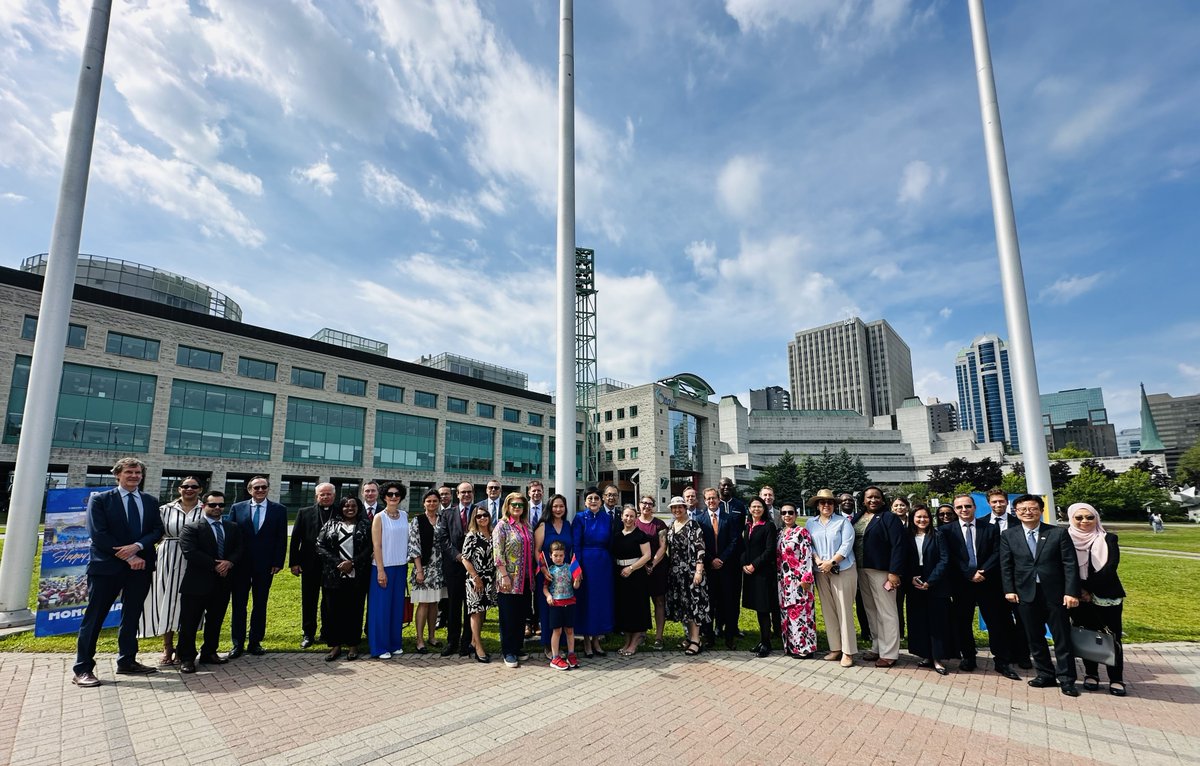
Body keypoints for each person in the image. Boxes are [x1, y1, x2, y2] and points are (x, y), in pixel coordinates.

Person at [72, 457, 166, 687]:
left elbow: (157, 530)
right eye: (129, 472)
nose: (134, 476)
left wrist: (138, 547)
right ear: (118, 475)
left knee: (132, 615)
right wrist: (129, 556)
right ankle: (82, 668)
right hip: (106, 567)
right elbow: (99, 534)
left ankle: (127, 660)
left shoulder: (150, 501)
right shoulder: (101, 500)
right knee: (94, 618)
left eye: (138, 473)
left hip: (140, 567)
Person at [1000, 494, 1081, 697]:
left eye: (1032, 508)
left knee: (1061, 638)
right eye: (1023, 509)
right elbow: (1006, 565)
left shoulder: (1057, 533)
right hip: (1025, 594)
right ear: (1016, 512)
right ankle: (1045, 674)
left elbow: (1069, 564)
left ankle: (1067, 679)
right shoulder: (1009, 535)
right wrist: (1009, 590)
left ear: (1041, 510)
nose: (1028, 512)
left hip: (1054, 594)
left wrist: (1071, 592)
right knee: (1034, 637)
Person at [943, 493, 1022, 679]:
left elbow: (997, 552)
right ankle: (968, 657)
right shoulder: (947, 531)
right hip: (962, 584)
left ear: (975, 507)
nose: (964, 510)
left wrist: (983, 571)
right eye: (960, 507)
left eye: (967, 506)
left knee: (996, 622)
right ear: (955, 509)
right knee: (963, 622)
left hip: (988, 582)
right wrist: (968, 573)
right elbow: (950, 556)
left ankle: (1001, 660)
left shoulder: (990, 528)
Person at [139, 476, 204, 667]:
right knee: (165, 600)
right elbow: (154, 533)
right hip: (168, 556)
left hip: (194, 559)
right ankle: (167, 646)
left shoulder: (205, 509)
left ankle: (186, 649)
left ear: (200, 489)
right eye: (185, 486)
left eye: (194, 486)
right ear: (179, 489)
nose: (189, 489)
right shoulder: (165, 509)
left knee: (189, 603)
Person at [177, 491, 242, 673]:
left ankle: (209, 652)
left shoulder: (232, 527)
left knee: (215, 620)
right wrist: (216, 565)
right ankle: (187, 658)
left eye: (221, 505)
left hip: (222, 583)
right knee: (189, 622)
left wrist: (230, 562)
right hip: (197, 583)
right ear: (203, 506)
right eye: (213, 505)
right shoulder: (192, 528)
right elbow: (190, 552)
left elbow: (239, 548)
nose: (217, 508)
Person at [1067, 502, 1126, 696]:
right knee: (1086, 634)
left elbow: (1110, 568)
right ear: (1071, 519)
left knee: (1111, 636)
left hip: (1106, 595)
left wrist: (1088, 589)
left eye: (1089, 517)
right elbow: (1064, 566)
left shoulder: (1108, 538)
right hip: (1078, 596)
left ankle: (1116, 678)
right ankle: (1091, 674)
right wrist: (1079, 590)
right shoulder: (1065, 538)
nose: (1085, 521)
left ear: (1096, 518)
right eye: (1079, 517)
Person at [227, 476, 287, 659]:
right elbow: (230, 535)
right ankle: (237, 643)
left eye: (264, 487)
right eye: (256, 488)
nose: (260, 490)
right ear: (249, 489)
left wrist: (278, 561)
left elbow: (281, 538)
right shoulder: (237, 508)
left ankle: (255, 642)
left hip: (265, 566)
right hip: (240, 565)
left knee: (260, 604)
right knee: (239, 604)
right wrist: (230, 560)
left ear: (268, 489)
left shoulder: (279, 510)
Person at [852, 486, 905, 668]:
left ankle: (889, 653)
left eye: (876, 497)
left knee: (887, 611)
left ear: (882, 500)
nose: (873, 500)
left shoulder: (889, 518)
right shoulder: (857, 517)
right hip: (861, 569)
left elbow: (899, 545)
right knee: (871, 610)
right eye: (869, 497)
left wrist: (894, 572)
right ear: (863, 500)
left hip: (882, 571)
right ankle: (876, 646)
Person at [806, 488, 857, 668]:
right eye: (822, 503)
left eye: (829, 502)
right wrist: (819, 560)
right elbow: (809, 544)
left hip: (842, 569)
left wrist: (832, 562)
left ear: (834, 505)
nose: (826, 505)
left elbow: (847, 545)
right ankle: (835, 648)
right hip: (821, 571)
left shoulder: (843, 522)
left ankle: (848, 651)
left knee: (844, 610)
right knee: (828, 610)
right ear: (817, 506)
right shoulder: (811, 523)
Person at [317, 496, 372, 661]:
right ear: (340, 508)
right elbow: (320, 545)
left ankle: (353, 644)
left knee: (354, 610)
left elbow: (370, 547)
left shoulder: (365, 525)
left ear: (358, 507)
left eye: (353, 505)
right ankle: (335, 646)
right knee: (333, 611)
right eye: (346, 505)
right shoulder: (331, 524)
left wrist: (353, 563)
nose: (349, 508)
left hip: (356, 576)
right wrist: (338, 562)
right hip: (333, 576)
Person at [984, 488, 1032, 669]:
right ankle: (1004, 654)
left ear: (1007, 502)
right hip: (992, 581)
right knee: (998, 621)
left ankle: (1024, 655)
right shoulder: (981, 524)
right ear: (989, 503)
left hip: (1018, 580)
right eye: (994, 501)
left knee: (1022, 619)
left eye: (1001, 501)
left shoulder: (1019, 522)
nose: (998, 504)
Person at [905, 506, 953, 675]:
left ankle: (938, 658)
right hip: (914, 582)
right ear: (912, 519)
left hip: (936, 582)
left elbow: (944, 560)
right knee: (919, 621)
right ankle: (926, 655)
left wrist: (930, 581)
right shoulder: (907, 536)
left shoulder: (938, 535)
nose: (922, 520)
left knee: (937, 622)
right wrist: (910, 577)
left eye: (925, 517)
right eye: (918, 517)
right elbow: (903, 558)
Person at [289, 482, 336, 648]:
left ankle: (327, 632)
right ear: (316, 496)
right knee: (309, 599)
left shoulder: (340, 512)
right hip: (309, 564)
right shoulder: (305, 513)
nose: (325, 497)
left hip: (333, 565)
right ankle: (308, 633)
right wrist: (294, 563)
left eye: (328, 494)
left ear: (334, 495)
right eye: (322, 494)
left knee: (330, 600)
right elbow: (295, 539)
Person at [696, 486, 744, 649]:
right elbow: (700, 543)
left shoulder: (729, 518)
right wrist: (711, 560)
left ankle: (729, 637)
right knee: (709, 603)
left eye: (714, 498)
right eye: (708, 498)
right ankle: (709, 637)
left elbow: (734, 541)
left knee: (728, 603)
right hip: (709, 569)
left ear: (718, 499)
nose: (711, 501)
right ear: (704, 500)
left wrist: (721, 559)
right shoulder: (699, 519)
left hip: (726, 568)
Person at [664, 496, 710, 656]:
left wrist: (698, 571)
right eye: (674, 508)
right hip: (676, 573)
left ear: (685, 508)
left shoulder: (693, 525)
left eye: (680, 507)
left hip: (691, 572)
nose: (677, 510)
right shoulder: (671, 526)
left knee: (693, 606)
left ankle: (696, 640)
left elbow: (700, 549)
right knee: (683, 607)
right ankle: (689, 637)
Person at [368, 482, 409, 659]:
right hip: (383, 567)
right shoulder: (379, 517)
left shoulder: (405, 515)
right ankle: (379, 647)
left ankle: (394, 643)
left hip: (401, 567)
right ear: (384, 496)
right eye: (390, 494)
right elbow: (377, 545)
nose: (394, 497)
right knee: (381, 609)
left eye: (397, 494)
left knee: (396, 607)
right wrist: (380, 570)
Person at [573, 486, 615, 657]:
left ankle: (597, 639)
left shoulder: (607, 518)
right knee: (587, 602)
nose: (593, 501)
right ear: (585, 501)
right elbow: (576, 544)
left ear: (601, 500)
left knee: (600, 602)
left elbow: (611, 542)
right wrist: (578, 568)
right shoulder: (579, 518)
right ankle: (587, 641)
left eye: (596, 498)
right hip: (586, 563)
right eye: (590, 498)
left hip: (603, 564)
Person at [494, 492, 535, 668]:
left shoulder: (527, 525)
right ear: (508, 507)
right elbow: (497, 553)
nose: (517, 507)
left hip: (525, 580)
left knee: (520, 616)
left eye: (520, 505)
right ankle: (508, 651)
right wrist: (504, 575)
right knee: (508, 617)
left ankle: (517, 647)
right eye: (514, 505)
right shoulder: (502, 526)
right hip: (508, 580)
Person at [438, 482, 475, 658]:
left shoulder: (478, 511)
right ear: (457, 494)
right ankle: (452, 641)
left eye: (469, 492)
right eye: (463, 492)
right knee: (453, 606)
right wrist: (459, 556)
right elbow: (443, 539)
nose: (466, 495)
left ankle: (466, 642)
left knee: (471, 606)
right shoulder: (447, 514)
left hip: (474, 568)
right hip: (453, 566)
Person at [776, 501, 817, 659]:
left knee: (801, 614)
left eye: (790, 513)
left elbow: (807, 557)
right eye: (784, 513)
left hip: (799, 579)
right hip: (783, 581)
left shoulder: (802, 532)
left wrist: (806, 578)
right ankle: (792, 647)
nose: (787, 515)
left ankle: (805, 648)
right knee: (788, 614)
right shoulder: (780, 533)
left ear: (796, 515)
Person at [535, 494, 574, 657]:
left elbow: (571, 550)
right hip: (547, 575)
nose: (558, 509)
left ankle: (562, 645)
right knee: (548, 610)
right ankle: (547, 646)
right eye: (555, 506)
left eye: (561, 506)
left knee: (564, 610)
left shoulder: (567, 524)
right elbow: (536, 550)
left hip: (564, 575)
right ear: (550, 507)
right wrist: (543, 569)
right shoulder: (543, 526)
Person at [612, 505, 652, 656]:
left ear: (636, 518)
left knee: (637, 609)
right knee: (625, 610)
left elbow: (647, 555)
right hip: (620, 576)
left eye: (631, 516)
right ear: (622, 517)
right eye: (626, 516)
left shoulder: (640, 535)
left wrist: (631, 568)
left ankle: (634, 643)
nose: (628, 519)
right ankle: (627, 641)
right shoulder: (617, 535)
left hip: (636, 576)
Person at [409, 490, 446, 653]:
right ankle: (419, 639)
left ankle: (432, 636)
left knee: (434, 603)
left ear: (439, 503)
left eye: (435, 501)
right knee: (423, 603)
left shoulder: (442, 519)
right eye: (429, 501)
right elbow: (413, 545)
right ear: (424, 503)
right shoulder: (417, 520)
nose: (432, 504)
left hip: (439, 568)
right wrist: (419, 570)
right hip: (423, 568)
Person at [741, 497, 778, 658]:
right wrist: (744, 564)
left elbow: (770, 550)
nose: (756, 509)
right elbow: (743, 547)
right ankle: (762, 640)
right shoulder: (747, 526)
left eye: (759, 506)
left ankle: (767, 643)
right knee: (758, 608)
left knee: (764, 608)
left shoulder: (768, 526)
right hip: (750, 573)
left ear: (764, 509)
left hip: (763, 573)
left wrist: (754, 565)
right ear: (749, 509)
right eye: (753, 506)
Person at [462, 506, 496, 663]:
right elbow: (465, 558)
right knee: (475, 611)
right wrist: (476, 577)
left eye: (485, 515)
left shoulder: (493, 533)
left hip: (490, 578)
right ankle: (478, 647)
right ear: (474, 519)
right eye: (479, 516)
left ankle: (473, 642)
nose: (482, 518)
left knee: (483, 611)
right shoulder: (472, 536)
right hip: (475, 579)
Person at [636, 495, 669, 650]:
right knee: (641, 603)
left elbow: (663, 546)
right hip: (638, 569)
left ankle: (658, 636)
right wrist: (641, 565)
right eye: (644, 503)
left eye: (650, 504)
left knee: (659, 601)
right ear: (639, 505)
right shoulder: (634, 522)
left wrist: (652, 564)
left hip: (657, 568)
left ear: (653, 507)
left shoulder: (659, 524)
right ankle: (641, 634)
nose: (647, 506)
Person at [543, 540, 582, 670]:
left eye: (561, 555)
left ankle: (571, 654)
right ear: (550, 556)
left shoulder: (570, 568)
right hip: (556, 604)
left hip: (569, 602)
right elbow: (544, 588)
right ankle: (555, 657)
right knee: (557, 631)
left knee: (570, 630)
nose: (558, 558)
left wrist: (577, 580)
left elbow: (575, 586)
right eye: (555, 556)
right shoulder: (550, 570)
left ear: (565, 555)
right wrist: (548, 596)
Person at [525, 480, 547, 639]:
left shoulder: (548, 510)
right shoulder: (522, 508)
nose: (536, 493)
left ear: (543, 492)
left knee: (540, 588)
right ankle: (527, 621)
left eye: (539, 491)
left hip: (542, 555)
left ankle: (538, 621)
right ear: (528, 493)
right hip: (524, 555)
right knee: (526, 589)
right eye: (533, 491)